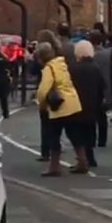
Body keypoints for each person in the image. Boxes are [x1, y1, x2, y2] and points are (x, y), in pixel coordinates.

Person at [36, 41, 83, 177]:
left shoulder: (48, 69)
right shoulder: (61, 64)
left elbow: (43, 90)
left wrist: (42, 105)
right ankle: (82, 161)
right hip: (73, 102)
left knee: (54, 136)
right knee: (74, 134)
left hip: (59, 105)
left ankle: (54, 167)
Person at [69, 40, 106, 171]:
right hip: (92, 105)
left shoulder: (73, 68)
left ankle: (82, 158)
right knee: (90, 131)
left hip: (76, 105)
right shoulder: (96, 68)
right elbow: (102, 87)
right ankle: (90, 157)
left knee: (76, 132)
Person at [34, 30, 62, 162]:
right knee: (57, 123)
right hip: (59, 90)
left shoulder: (42, 58)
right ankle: (55, 149)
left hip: (47, 90)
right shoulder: (59, 54)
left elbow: (34, 71)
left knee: (45, 122)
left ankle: (46, 151)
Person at [90, 30, 112, 147]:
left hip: (91, 85)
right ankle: (102, 140)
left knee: (90, 114)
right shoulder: (107, 54)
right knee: (102, 115)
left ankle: (92, 138)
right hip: (105, 85)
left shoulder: (89, 55)